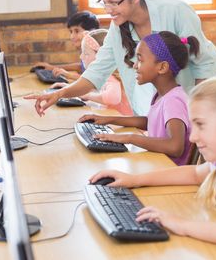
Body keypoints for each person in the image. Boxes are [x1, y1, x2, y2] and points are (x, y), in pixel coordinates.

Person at [25, 0, 216, 116]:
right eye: (104, 3)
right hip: (158, 110)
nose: (108, 10)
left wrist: (197, 114)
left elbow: (203, 66)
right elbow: (96, 72)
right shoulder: (117, 28)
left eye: (114, 2)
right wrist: (59, 93)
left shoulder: (176, 11)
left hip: (201, 100)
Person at [89, 76, 216, 245]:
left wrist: (182, 225)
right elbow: (195, 173)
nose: (193, 137)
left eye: (201, 125)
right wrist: (135, 179)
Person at [79, 31, 199, 165]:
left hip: (168, 171)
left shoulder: (173, 100)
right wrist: (107, 120)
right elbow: (150, 122)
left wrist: (129, 138)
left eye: (140, 60)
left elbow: (175, 147)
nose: (135, 65)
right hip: (157, 164)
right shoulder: (163, 94)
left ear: (162, 67)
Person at [33, 10, 100, 79]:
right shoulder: (87, 50)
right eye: (71, 31)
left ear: (91, 32)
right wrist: (52, 67)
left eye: (77, 31)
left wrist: (67, 75)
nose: (72, 36)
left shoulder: (97, 53)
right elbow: (81, 67)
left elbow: (95, 79)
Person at [79, 29, 132, 115]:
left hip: (124, 126)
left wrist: (88, 96)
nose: (81, 56)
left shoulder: (109, 76)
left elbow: (113, 98)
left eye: (86, 53)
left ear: (101, 57)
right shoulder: (108, 73)